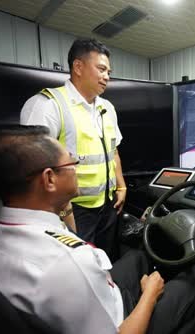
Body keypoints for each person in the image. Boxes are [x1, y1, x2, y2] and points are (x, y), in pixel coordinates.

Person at [0, 125, 195, 334]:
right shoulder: (68, 262)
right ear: (49, 179)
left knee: (141, 256)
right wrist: (151, 294)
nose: (76, 166)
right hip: (122, 324)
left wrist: (61, 206)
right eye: (71, 162)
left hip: (84, 307)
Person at [21, 38, 124, 261]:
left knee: (106, 261)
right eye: (101, 69)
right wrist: (64, 211)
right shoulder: (48, 105)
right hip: (72, 209)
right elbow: (32, 166)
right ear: (78, 67)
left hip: (107, 204)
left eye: (109, 71)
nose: (107, 76)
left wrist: (122, 186)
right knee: (79, 264)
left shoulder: (107, 107)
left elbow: (113, 150)